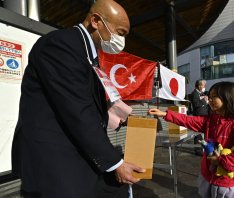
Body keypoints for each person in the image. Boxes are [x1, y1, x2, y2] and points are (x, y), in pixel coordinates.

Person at [11, 1, 145, 197]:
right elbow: (77, 111)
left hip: (72, 156)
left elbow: (81, 100)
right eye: (120, 32)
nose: (121, 40)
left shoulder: (86, 53)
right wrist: (115, 163)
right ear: (96, 21)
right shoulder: (61, 45)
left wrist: (116, 115)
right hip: (54, 164)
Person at [148, 81, 234, 198]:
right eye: (210, 96)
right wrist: (165, 114)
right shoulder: (210, 120)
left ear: (227, 98)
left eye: (214, 97)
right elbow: (188, 120)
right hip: (206, 176)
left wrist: (222, 161)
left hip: (225, 180)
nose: (210, 100)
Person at [190, 79, 209, 155]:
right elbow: (196, 104)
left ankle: (203, 148)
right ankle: (198, 150)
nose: (204, 87)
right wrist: (204, 100)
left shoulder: (202, 93)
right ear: (199, 85)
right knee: (198, 134)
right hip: (198, 116)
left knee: (203, 134)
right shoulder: (194, 93)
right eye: (204, 85)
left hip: (204, 116)